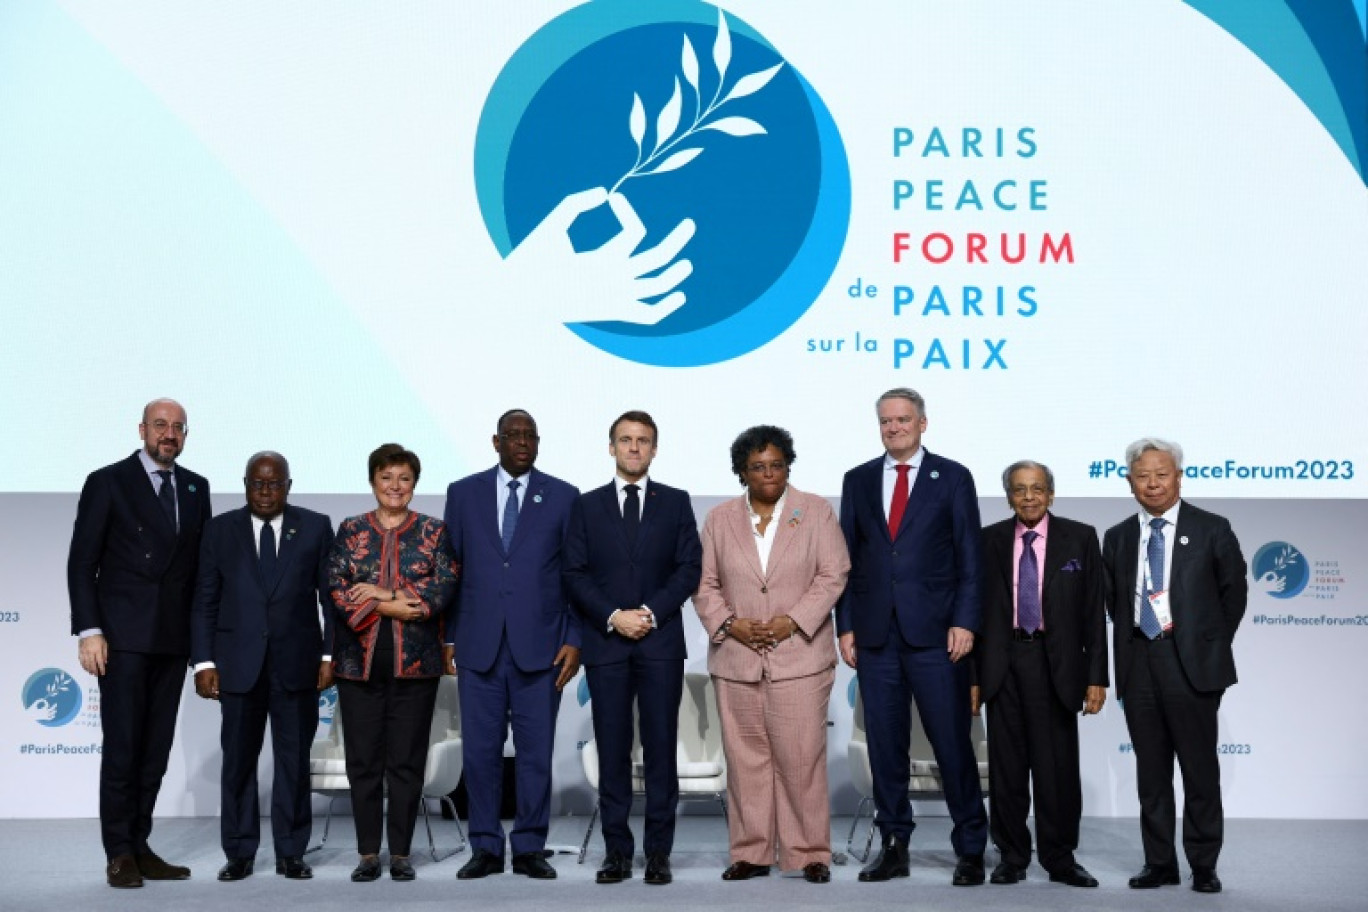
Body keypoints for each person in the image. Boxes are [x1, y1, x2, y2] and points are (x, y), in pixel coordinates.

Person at [835, 387, 989, 886]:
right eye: (885, 421)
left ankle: (969, 848)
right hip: (877, 637)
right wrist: (848, 624)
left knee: (951, 745)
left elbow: (970, 558)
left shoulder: (953, 477)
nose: (893, 428)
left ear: (923, 423)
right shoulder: (857, 480)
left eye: (903, 419)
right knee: (885, 749)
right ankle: (894, 845)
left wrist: (965, 621)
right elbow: (848, 562)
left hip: (938, 637)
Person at [693, 425, 849, 884]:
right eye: (758, 467)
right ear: (742, 471)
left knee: (801, 759)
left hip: (800, 656)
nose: (769, 474)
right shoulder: (719, 519)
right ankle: (751, 851)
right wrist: (730, 624)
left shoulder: (815, 511)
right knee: (746, 762)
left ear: (788, 466)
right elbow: (705, 585)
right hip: (737, 660)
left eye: (777, 465)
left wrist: (792, 621)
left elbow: (833, 573)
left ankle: (808, 853)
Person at [67, 398, 211, 889]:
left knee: (156, 750)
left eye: (177, 427)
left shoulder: (196, 487)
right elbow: (82, 563)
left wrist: (202, 644)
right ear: (142, 430)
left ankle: (142, 843)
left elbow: (196, 573)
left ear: (185, 435)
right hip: (122, 638)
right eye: (160, 426)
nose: (168, 434)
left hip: (172, 639)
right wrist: (90, 631)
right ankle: (119, 851)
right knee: (124, 747)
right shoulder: (107, 481)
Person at [564, 410, 702, 886]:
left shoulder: (677, 502)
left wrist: (649, 613)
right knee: (614, 752)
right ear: (611, 447)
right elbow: (574, 573)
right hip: (606, 644)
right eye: (626, 440)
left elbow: (689, 568)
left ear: (654, 449)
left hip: (660, 642)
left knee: (662, 751)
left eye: (643, 440)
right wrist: (613, 617)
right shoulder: (585, 506)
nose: (634, 448)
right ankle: (617, 853)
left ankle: (658, 853)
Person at [442, 410, 581, 880]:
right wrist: (448, 637)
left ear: (538, 443)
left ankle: (528, 848)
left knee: (535, 753)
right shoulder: (463, 494)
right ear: (495, 441)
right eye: (512, 436)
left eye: (529, 436)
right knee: (480, 755)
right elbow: (450, 572)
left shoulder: (563, 497)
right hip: (479, 646)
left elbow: (575, 577)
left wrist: (574, 639)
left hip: (541, 649)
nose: (521, 442)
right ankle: (484, 846)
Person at [1103, 438, 1246, 894]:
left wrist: (1205, 644)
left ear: (1178, 476)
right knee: (1152, 773)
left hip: (1191, 665)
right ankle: (1159, 863)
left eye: (1161, 474)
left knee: (1199, 771)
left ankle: (1203, 864)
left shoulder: (1212, 528)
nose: (1153, 483)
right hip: (1139, 661)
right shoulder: (1119, 536)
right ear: (1130, 482)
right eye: (1142, 475)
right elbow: (1113, 601)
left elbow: (1233, 595)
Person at [190, 451, 335, 882]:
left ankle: (292, 852)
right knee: (238, 762)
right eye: (257, 483)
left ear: (288, 486)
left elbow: (330, 600)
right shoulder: (219, 530)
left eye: (274, 483)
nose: (266, 491)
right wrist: (204, 661)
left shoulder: (314, 526)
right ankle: (239, 852)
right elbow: (205, 601)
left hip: (297, 666)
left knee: (293, 762)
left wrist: (328, 656)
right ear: (246, 484)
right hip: (237, 666)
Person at [972, 460, 1107, 888]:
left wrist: (1096, 677)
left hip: (1058, 667)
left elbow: (1093, 614)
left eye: (1036, 489)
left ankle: (1060, 859)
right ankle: (1011, 857)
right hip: (1003, 663)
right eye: (1018, 489)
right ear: (1008, 496)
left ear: (1050, 493)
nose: (1028, 497)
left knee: (1057, 772)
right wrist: (973, 678)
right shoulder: (987, 540)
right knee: (1008, 771)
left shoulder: (1080, 538)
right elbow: (974, 615)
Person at [328, 444, 456, 882]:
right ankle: (367, 854)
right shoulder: (350, 530)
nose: (395, 486)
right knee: (363, 763)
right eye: (386, 478)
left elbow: (441, 590)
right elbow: (337, 587)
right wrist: (393, 603)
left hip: (415, 665)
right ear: (372, 482)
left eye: (403, 478)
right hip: (356, 665)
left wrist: (382, 593)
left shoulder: (434, 532)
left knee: (406, 761)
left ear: (414, 484)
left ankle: (400, 853)